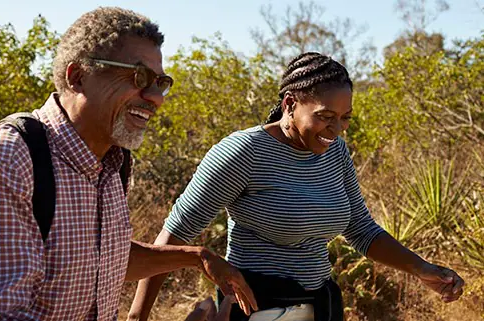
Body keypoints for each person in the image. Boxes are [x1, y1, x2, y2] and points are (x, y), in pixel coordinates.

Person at [0, 7, 257, 321]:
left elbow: (102, 257)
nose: (156, 97)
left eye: (160, 82)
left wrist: (196, 257)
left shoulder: (112, 162)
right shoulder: (8, 160)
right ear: (78, 77)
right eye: (139, 76)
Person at [128, 52, 465, 321]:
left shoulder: (335, 152)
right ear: (289, 104)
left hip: (320, 303)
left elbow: (360, 229)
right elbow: (175, 235)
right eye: (325, 116)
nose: (336, 129)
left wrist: (422, 269)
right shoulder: (244, 152)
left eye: (345, 117)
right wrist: (135, 318)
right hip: (256, 306)